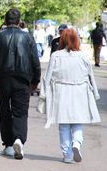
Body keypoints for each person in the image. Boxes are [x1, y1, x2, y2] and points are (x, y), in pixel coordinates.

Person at [0, 9, 41, 160]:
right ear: (19, 20)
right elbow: (35, 61)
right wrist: (36, 80)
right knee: (20, 111)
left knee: (4, 109)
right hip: (22, 78)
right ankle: (19, 139)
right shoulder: (27, 37)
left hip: (3, 78)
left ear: (5, 20)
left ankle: (8, 145)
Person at [40, 28, 101, 163]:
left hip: (61, 92)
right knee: (77, 122)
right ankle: (77, 144)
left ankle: (67, 154)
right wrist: (95, 93)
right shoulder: (83, 56)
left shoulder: (56, 56)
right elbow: (90, 76)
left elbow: (47, 77)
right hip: (79, 91)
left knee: (64, 124)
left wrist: (44, 95)